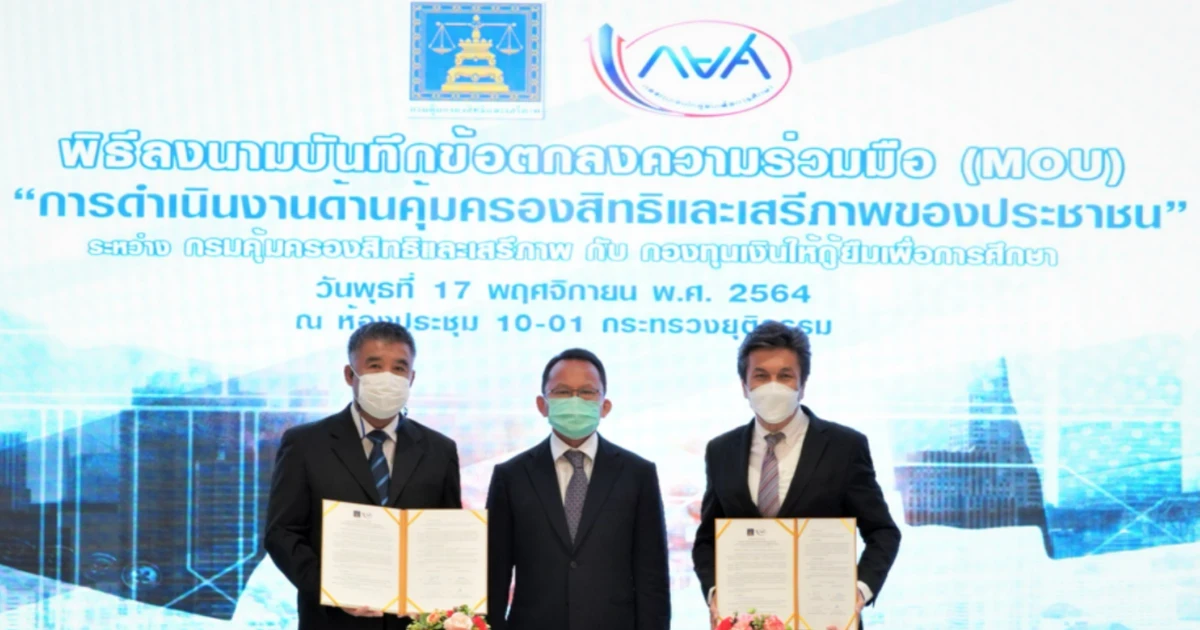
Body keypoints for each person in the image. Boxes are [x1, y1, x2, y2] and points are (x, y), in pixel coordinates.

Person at [692, 321, 901, 630]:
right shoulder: (721, 451)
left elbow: (882, 531)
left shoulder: (845, 447)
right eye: (761, 376)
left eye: (785, 376)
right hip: (746, 620)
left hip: (825, 620)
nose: (772, 386)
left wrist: (859, 590)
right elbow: (707, 539)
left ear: (802, 385)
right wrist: (715, 592)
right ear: (744, 386)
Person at [265, 322, 462, 630]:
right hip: (331, 621)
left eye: (399, 368)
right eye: (375, 366)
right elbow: (282, 533)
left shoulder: (440, 450)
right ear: (349, 374)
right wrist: (330, 589)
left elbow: (446, 537)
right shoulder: (305, 444)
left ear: (411, 378)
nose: (388, 377)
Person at [485, 348, 671, 630]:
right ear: (542, 405)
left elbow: (652, 575)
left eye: (587, 392)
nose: (575, 400)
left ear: (605, 406)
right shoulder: (511, 476)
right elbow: (494, 573)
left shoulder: (638, 474)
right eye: (562, 392)